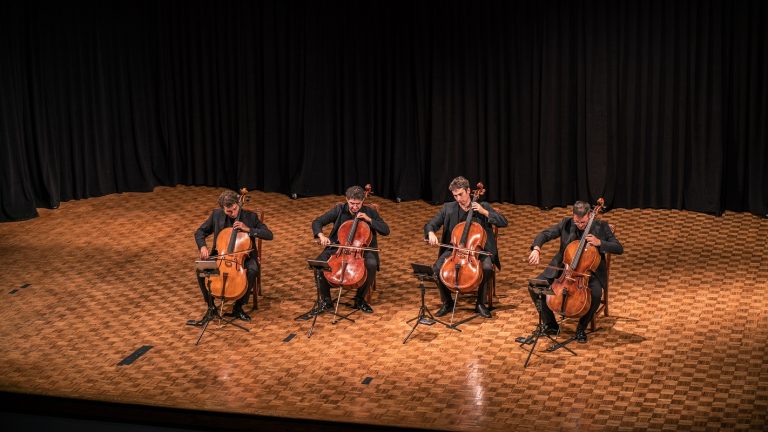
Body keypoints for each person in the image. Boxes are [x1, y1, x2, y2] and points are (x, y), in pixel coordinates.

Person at [527, 200, 623, 343]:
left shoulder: (601, 227)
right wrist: (536, 248)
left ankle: (581, 328)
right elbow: (545, 234)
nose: (579, 225)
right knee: (535, 286)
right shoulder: (567, 223)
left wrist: (600, 242)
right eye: (576, 222)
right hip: (565, 270)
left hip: (588, 273)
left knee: (596, 294)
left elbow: (619, 248)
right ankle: (550, 324)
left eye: (583, 222)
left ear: (590, 215)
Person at [298, 185, 390, 320]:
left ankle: (360, 299)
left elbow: (386, 230)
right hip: (339, 246)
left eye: (358, 204)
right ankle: (325, 301)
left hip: (361, 249)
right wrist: (321, 236)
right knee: (318, 264)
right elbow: (317, 222)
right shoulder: (339, 209)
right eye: (352, 203)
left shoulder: (369, 212)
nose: (354, 207)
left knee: (371, 264)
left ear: (362, 201)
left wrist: (369, 220)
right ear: (347, 200)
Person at [424, 176, 508, 319]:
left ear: (469, 191)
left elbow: (504, 222)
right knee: (437, 269)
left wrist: (484, 212)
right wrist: (431, 233)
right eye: (455, 195)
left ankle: (480, 303)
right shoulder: (448, 208)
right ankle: (447, 302)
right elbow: (431, 224)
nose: (458, 199)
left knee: (487, 268)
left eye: (460, 194)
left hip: (479, 250)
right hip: (455, 250)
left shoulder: (483, 206)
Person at [193, 189, 273, 324]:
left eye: (235, 209)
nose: (233, 213)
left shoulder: (250, 217)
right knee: (201, 269)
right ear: (223, 209)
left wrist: (248, 229)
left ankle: (238, 307)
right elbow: (199, 232)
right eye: (228, 211)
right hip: (221, 256)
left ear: (238, 204)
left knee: (253, 269)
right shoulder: (216, 215)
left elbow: (269, 235)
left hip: (244, 258)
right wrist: (203, 246)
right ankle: (211, 307)